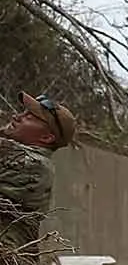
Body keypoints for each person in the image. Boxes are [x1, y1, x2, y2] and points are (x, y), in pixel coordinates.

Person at [0, 91, 76, 254]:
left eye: (29, 117)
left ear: (47, 138)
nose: (17, 117)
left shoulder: (33, 165)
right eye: (23, 113)